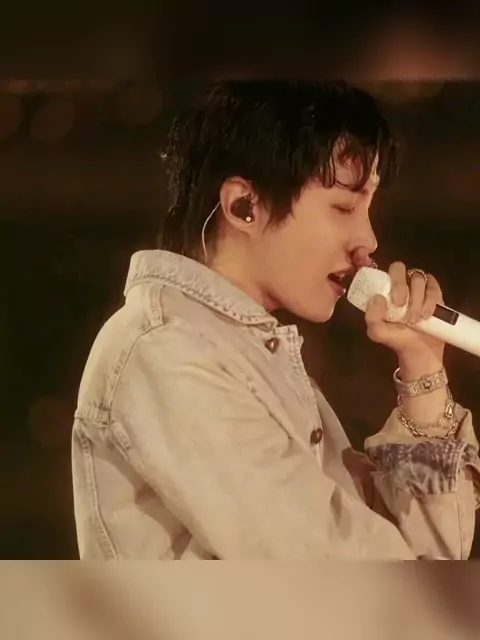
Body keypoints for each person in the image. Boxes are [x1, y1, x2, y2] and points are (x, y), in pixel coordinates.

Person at [72, 81, 479, 560]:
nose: (367, 240)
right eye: (344, 207)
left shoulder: (251, 355)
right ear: (244, 206)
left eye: (367, 209)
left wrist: (422, 365)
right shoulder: (166, 351)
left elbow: (431, 561)